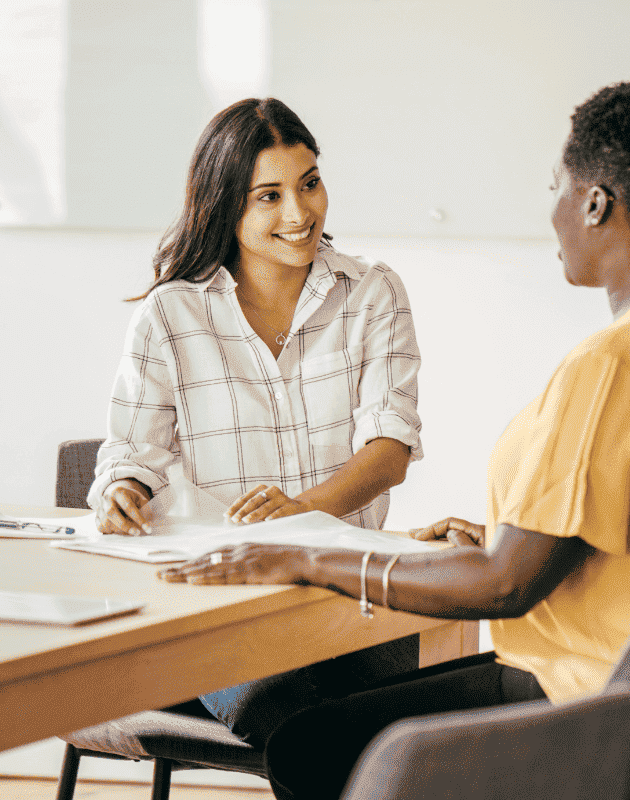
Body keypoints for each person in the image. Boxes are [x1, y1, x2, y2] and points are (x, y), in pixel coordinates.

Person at [160, 78, 630, 800]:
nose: (552, 210)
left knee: (310, 746)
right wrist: (502, 536)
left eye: (558, 186)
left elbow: (506, 585)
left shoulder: (611, 366)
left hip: (590, 701)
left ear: (595, 203)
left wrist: (303, 556)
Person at [87, 98, 425, 743]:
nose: (299, 213)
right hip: (220, 608)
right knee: (296, 713)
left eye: (310, 183)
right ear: (225, 206)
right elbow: (130, 453)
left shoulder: (372, 292)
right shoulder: (170, 315)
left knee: (371, 706)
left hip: (346, 600)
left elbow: (389, 449)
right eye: (268, 196)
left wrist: (297, 514)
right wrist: (122, 492)